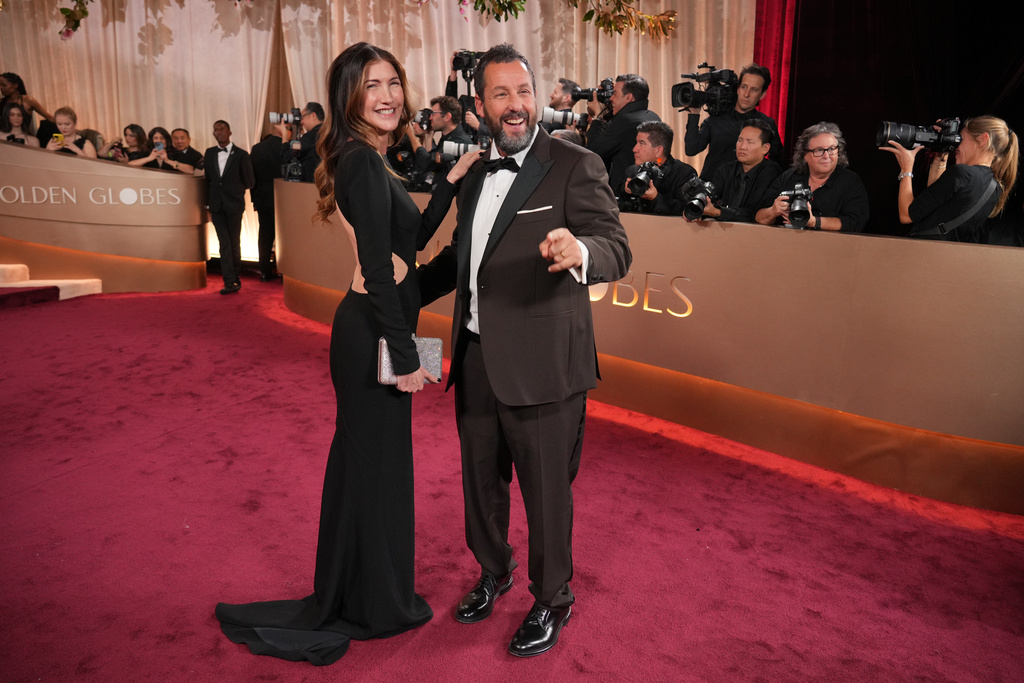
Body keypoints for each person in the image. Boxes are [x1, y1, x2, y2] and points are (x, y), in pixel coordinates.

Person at [215, 41, 481, 666]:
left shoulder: (373, 160)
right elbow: (379, 270)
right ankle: (370, 603)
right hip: (370, 337)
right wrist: (405, 355)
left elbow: (409, 244)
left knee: (374, 470)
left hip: (376, 327)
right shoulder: (361, 161)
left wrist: (450, 184)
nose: (387, 96)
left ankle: (364, 593)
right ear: (349, 98)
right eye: (372, 86)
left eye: (393, 82)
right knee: (374, 470)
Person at [417, 43, 631, 658]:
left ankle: (552, 598)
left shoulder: (575, 164)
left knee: (545, 493)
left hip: (544, 363)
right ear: (480, 104)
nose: (516, 105)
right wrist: (397, 295)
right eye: (501, 94)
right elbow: (464, 257)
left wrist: (580, 252)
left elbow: (615, 246)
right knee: (480, 483)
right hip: (477, 357)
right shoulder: (473, 173)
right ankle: (494, 570)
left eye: (524, 91)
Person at [880, 115, 1019, 243]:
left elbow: (906, 215)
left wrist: (906, 168)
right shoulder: (995, 188)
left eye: (961, 139)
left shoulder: (962, 174)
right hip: (949, 255)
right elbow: (936, 200)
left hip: (923, 250)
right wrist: (941, 153)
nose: (957, 146)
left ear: (983, 139)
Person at [756, 121, 869, 232]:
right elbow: (759, 217)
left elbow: (856, 222)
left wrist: (814, 222)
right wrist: (773, 211)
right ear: (805, 155)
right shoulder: (788, 177)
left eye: (831, 149)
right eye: (819, 150)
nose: (826, 156)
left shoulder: (850, 181)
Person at [684, 64, 783, 180]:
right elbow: (691, 149)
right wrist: (694, 114)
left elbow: (779, 162)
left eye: (754, 90)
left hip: (745, 189)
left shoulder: (767, 124)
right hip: (711, 185)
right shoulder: (715, 119)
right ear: (738, 89)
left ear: (762, 94)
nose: (746, 94)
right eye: (744, 87)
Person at [203, 120, 255, 294]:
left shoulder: (241, 154)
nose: (219, 132)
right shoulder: (210, 153)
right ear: (213, 133)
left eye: (222, 129)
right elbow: (208, 180)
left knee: (234, 242)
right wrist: (207, 204)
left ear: (230, 132)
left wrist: (234, 189)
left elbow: (250, 181)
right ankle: (229, 281)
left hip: (234, 205)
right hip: (216, 205)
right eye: (216, 130)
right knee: (224, 243)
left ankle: (235, 277)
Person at [585, 73, 661, 191]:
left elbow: (593, 152)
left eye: (615, 94)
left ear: (628, 97)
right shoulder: (653, 116)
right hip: (649, 188)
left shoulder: (625, 121)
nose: (611, 98)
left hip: (625, 191)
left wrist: (597, 117)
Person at [698, 119, 783, 222]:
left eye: (750, 142)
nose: (742, 147)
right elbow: (711, 198)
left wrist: (719, 212)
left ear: (765, 148)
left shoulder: (771, 172)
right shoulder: (726, 169)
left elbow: (755, 213)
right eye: (740, 140)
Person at [621, 120, 696, 215]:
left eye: (642, 143)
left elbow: (686, 211)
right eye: (637, 143)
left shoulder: (684, 174)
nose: (634, 149)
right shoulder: (633, 171)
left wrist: (656, 198)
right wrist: (626, 191)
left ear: (658, 150)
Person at [411, 95, 473, 189]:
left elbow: (427, 163)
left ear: (447, 117)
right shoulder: (446, 137)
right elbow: (431, 165)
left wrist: (411, 135)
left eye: (433, 113)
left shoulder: (459, 141)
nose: (430, 118)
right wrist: (428, 136)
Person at [249, 130, 284, 280]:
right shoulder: (286, 146)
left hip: (262, 198)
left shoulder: (257, 149)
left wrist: (254, 200)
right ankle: (284, 271)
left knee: (264, 235)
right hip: (284, 197)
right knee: (284, 236)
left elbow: (252, 177)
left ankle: (264, 270)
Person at [0, 72, 57, 145]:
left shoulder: (28, 101)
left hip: (25, 140)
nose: (1, 88)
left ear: (15, 85)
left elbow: (49, 117)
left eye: (4, 85)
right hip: (3, 139)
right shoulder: (1, 102)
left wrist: (67, 128)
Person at [275, 102, 324, 182]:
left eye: (303, 117)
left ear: (313, 116)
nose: (301, 121)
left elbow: (288, 156)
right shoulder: (326, 132)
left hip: (310, 184)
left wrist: (284, 134)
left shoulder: (312, 135)